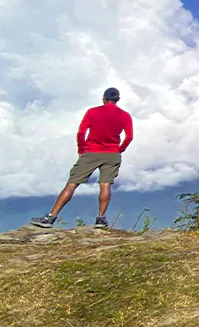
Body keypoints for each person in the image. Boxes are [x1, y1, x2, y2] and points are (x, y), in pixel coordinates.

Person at [31, 87, 133, 230]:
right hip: (112, 153)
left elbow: (81, 132)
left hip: (91, 151)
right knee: (105, 184)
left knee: (72, 183)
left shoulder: (93, 112)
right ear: (118, 100)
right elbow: (129, 137)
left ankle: (50, 217)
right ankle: (101, 218)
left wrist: (81, 149)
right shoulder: (125, 116)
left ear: (104, 98)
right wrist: (119, 149)